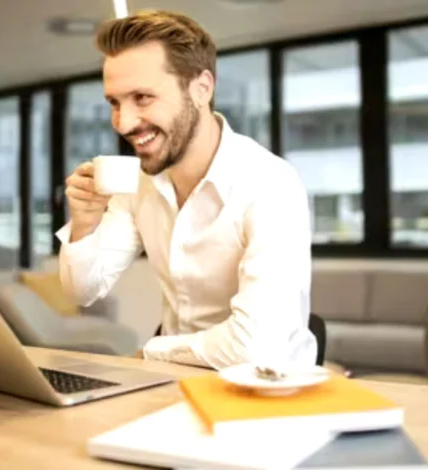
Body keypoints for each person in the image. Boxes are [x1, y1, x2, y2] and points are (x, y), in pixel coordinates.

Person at [56, 10, 316, 370]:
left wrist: (153, 350)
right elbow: (82, 291)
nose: (124, 123)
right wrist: (84, 222)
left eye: (143, 97)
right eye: (115, 103)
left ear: (201, 88)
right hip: (175, 382)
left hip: (265, 391)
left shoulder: (270, 184)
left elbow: (255, 347)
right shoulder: (139, 184)